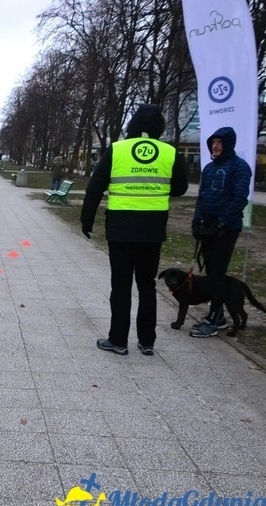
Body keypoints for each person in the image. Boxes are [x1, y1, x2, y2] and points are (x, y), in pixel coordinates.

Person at [80, 104, 188, 356]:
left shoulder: (116, 150)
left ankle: (118, 341)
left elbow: (95, 187)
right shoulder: (170, 152)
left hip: (120, 229)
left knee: (121, 287)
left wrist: (87, 220)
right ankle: (147, 341)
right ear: (159, 127)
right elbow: (181, 188)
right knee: (147, 286)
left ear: (133, 125)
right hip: (152, 230)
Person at [189, 127, 251, 338]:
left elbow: (240, 198)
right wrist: (197, 222)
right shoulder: (208, 168)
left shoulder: (239, 167)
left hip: (226, 228)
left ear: (228, 144)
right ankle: (219, 315)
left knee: (217, 273)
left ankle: (215, 318)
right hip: (207, 226)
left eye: (220, 142)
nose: (215, 146)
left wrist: (222, 222)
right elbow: (202, 197)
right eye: (213, 142)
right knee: (211, 272)